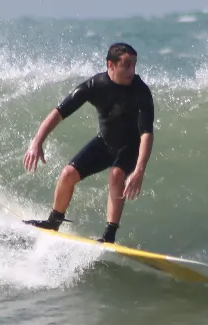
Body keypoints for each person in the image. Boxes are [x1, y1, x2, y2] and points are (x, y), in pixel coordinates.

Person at [23, 42, 154, 243]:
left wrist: (139, 170)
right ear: (111, 65)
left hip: (130, 146)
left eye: (134, 64)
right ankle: (53, 222)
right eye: (126, 64)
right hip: (105, 142)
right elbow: (59, 112)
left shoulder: (141, 90)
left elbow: (146, 133)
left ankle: (109, 235)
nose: (131, 70)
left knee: (117, 174)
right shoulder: (95, 85)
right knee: (67, 174)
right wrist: (37, 141)